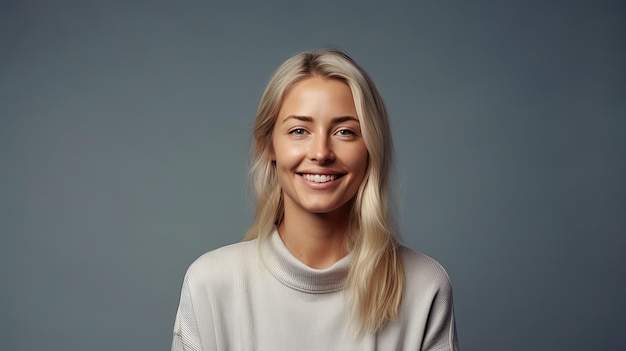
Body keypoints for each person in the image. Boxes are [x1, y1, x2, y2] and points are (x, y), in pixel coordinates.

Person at [171, 48, 459, 351]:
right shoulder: (209, 284)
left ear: (372, 148)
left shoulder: (424, 285)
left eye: (345, 131)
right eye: (299, 130)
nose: (321, 153)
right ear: (268, 146)